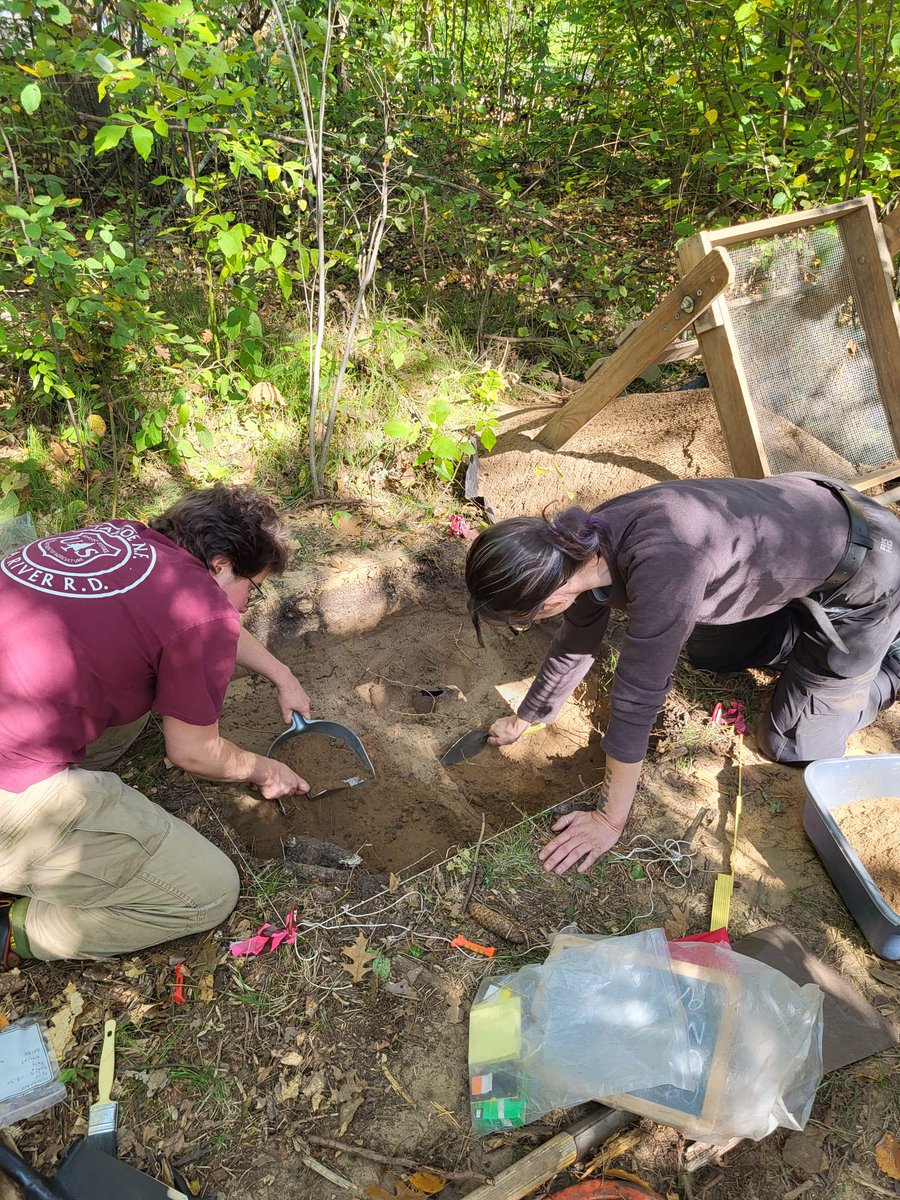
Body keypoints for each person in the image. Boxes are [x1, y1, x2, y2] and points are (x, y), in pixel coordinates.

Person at [465, 473, 900, 876]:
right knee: (708, 649)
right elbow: (576, 641)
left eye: (525, 620)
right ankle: (808, 634)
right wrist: (526, 718)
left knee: (792, 743)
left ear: (553, 599)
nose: (527, 626)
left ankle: (890, 660)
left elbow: (638, 697)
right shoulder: (576, 547)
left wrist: (609, 820)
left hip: (869, 567)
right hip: (799, 533)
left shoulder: (665, 564)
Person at [0, 485, 311, 970]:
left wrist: (282, 674)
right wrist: (265, 770)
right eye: (254, 586)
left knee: (140, 696)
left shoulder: (122, 539)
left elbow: (207, 618)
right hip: (10, 790)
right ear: (221, 564)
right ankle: (15, 928)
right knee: (208, 891)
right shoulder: (199, 608)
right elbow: (193, 752)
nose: (250, 602)